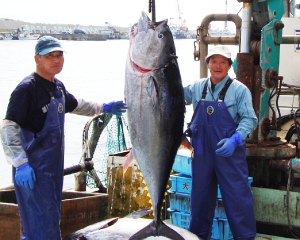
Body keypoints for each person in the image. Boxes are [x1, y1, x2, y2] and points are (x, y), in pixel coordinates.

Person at [0, 36, 127, 240]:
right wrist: (20, 163)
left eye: (59, 55)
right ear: (37, 59)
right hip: (32, 172)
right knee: (36, 226)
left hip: (52, 171)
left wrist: (104, 107)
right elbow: (8, 128)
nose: (56, 59)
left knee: (50, 221)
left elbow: (76, 104)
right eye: (50, 55)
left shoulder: (57, 87)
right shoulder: (26, 89)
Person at [184, 45, 258, 240]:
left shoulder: (240, 90)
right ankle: (197, 237)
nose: (218, 66)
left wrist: (235, 139)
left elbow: (250, 119)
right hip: (201, 154)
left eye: (223, 62)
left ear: (229, 66)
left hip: (229, 155)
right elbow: (172, 95)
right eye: (214, 61)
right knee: (199, 201)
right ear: (207, 64)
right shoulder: (196, 87)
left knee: (238, 200)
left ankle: (245, 237)